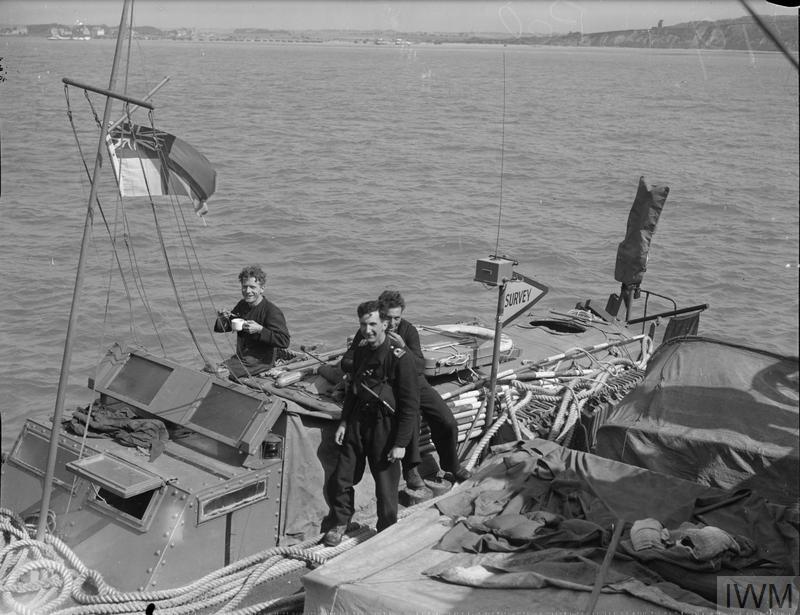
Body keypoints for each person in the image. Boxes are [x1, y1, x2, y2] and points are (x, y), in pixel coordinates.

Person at [340, 290, 467, 490]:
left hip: (413, 381)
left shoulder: (408, 331)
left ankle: (452, 464)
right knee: (410, 416)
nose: (392, 323)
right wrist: (363, 359)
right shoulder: (369, 331)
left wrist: (404, 348)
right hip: (386, 385)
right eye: (388, 318)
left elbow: (420, 366)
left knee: (446, 420)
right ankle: (411, 469)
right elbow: (346, 362)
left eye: (396, 318)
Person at [323, 300, 419, 546]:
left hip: (384, 427)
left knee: (386, 487)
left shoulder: (400, 357)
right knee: (342, 477)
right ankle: (340, 522)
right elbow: (354, 390)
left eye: (373, 324)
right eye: (364, 325)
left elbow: (409, 406)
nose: (368, 330)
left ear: (385, 324)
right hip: (357, 422)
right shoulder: (362, 352)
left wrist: (400, 443)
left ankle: (385, 532)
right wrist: (344, 422)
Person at [214, 265, 290, 380]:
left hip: (261, 362)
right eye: (244, 287)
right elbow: (227, 326)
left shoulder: (271, 311)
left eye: (252, 287)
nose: (248, 291)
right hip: (243, 357)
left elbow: (284, 341)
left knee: (218, 373)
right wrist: (222, 318)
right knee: (212, 368)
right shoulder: (242, 305)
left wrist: (260, 330)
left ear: (262, 289)